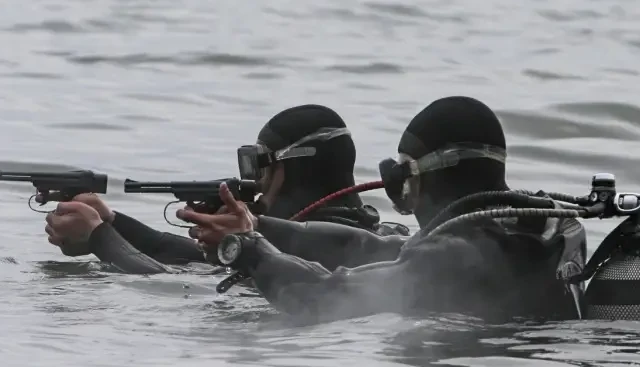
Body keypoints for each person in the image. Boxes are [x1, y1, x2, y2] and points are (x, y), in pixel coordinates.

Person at [180, 96, 588, 323]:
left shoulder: (454, 255)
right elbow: (368, 248)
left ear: (423, 178)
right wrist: (257, 225)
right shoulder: (540, 226)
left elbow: (320, 298)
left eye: (404, 178)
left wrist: (246, 249)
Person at [43, 104, 408, 274]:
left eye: (259, 166)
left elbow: (171, 285)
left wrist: (100, 240)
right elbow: (189, 257)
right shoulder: (373, 238)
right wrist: (111, 222)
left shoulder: (314, 255)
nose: (254, 182)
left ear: (288, 171)